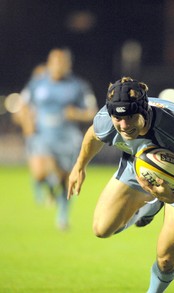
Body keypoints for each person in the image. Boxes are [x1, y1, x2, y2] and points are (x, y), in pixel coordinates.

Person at [67, 76, 174, 293]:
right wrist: (80, 166)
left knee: (166, 258)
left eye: (129, 118)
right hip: (139, 163)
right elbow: (93, 135)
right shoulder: (106, 119)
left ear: (143, 111)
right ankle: (150, 205)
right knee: (102, 229)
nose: (124, 126)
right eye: (118, 119)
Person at [18, 48, 98, 230]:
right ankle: (45, 186)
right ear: (49, 63)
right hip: (42, 136)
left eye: (63, 62)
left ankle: (62, 214)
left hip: (67, 140)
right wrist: (27, 124)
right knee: (39, 172)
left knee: (64, 178)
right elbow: (23, 105)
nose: (59, 66)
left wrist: (76, 114)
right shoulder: (37, 83)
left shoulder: (78, 86)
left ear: (69, 65)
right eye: (55, 62)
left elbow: (92, 112)